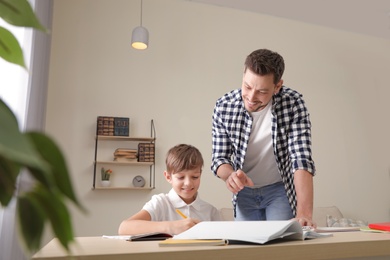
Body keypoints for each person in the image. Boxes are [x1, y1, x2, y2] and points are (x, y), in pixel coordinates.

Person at [211, 48, 316, 227]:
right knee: (247, 252)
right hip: (243, 192)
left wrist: (304, 214)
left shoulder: (293, 104)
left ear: (277, 86)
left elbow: (301, 159)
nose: (251, 97)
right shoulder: (224, 106)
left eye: (262, 91)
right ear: (243, 75)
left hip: (279, 190)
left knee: (281, 250)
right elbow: (219, 158)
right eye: (247, 86)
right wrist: (231, 176)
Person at [118, 144, 221, 236]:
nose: (188, 183)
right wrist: (171, 227)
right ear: (168, 177)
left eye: (195, 177)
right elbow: (124, 228)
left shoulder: (210, 211)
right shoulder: (161, 203)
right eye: (180, 177)